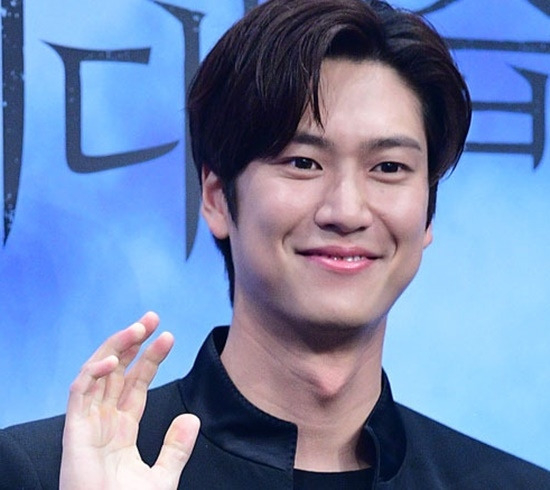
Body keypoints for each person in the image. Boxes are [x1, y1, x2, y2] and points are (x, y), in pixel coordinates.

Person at [1, 0, 549, 488]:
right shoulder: (50, 471)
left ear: (427, 212)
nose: (347, 211)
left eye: (388, 167)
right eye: (303, 162)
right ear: (217, 198)